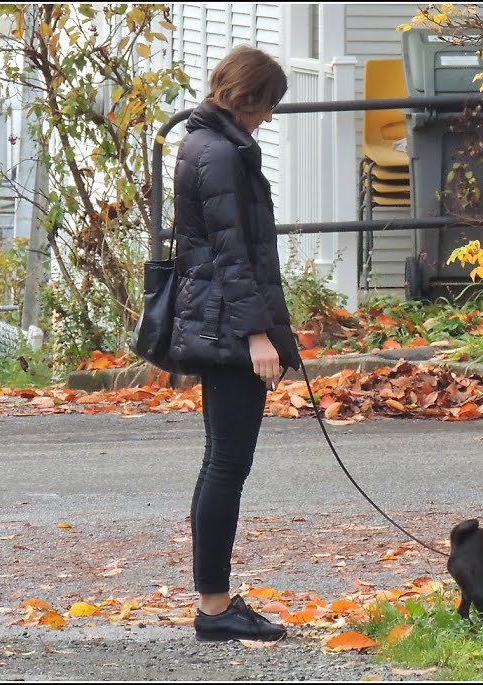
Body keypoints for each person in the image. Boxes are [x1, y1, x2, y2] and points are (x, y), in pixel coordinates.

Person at [168, 45, 301, 642]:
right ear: (246, 96)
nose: (269, 116)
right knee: (227, 463)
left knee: (218, 462)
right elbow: (232, 256)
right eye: (268, 104)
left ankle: (214, 603)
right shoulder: (219, 153)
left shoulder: (209, 144)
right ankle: (216, 608)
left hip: (218, 321)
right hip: (227, 328)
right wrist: (258, 337)